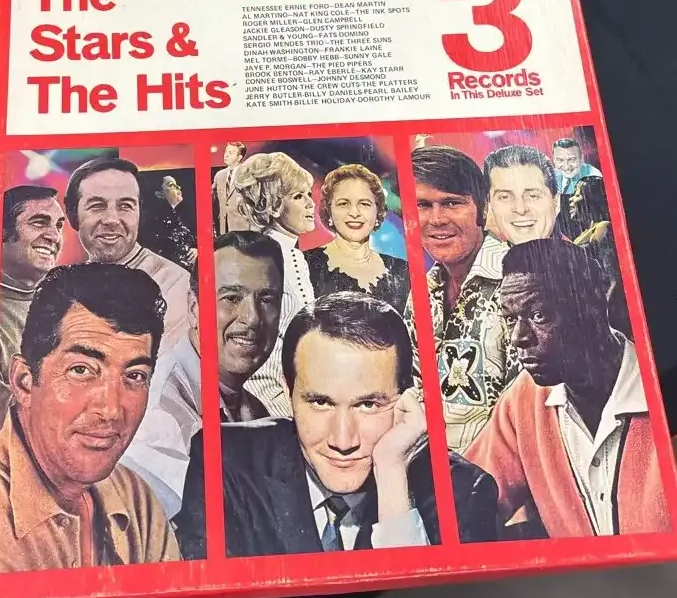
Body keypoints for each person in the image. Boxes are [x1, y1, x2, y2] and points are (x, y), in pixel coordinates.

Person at [176, 293, 498, 558]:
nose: (343, 441)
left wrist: (392, 477)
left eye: (368, 405)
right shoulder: (223, 462)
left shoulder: (463, 493)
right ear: (288, 392)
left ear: (406, 400)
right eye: (321, 402)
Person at [466, 238, 670, 538]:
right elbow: (467, 500)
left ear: (593, 304)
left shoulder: (659, 388)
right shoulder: (525, 399)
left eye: (539, 315)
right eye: (510, 319)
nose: (518, 337)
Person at [0, 263, 180, 572]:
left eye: (134, 375)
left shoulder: (137, 500)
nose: (111, 410)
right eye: (81, 370)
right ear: (24, 382)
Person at [124, 233, 284, 517]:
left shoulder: (252, 408)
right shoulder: (158, 412)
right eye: (231, 298)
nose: (252, 318)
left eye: (267, 299)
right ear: (194, 307)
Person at [407, 146, 519, 453]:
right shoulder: (421, 292)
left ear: (482, 209)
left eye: (452, 203)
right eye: (422, 205)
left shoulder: (519, 284)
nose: (437, 219)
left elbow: (528, 415)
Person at [64, 157, 190, 353]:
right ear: (74, 216)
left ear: (140, 214)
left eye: (125, 206)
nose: (112, 219)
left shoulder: (177, 287)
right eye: (97, 206)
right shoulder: (65, 287)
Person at [232, 151, 316, 417]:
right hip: (268, 399)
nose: (311, 204)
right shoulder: (263, 260)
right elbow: (255, 353)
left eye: (309, 194)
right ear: (273, 205)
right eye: (298, 196)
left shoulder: (294, 256)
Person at [0, 185, 65, 430]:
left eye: (59, 226)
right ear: (1, 231)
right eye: (39, 222)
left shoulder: (66, 306)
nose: (54, 237)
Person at [304, 163, 409, 313]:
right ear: (329, 211)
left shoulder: (402, 271)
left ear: (378, 212)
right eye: (343, 204)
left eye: (364, 204)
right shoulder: (302, 265)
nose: (354, 213)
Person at [484, 144, 560, 246]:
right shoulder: (483, 254)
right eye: (504, 197)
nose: (520, 209)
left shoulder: (579, 255)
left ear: (556, 202)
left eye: (533, 196)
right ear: (489, 205)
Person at [147, 175, 198, 272]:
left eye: (176, 184)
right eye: (171, 185)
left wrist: (197, 250)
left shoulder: (184, 215)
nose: (178, 187)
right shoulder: (155, 220)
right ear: (160, 194)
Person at [212, 142, 251, 234]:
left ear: (239, 157)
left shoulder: (247, 174)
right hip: (223, 227)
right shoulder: (219, 175)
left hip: (242, 227)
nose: (226, 155)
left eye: (230, 153)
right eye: (226, 151)